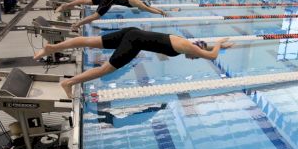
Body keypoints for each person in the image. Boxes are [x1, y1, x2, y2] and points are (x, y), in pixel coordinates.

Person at [34, 28, 233, 97]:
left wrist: (217, 46)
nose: (192, 59)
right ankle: (68, 83)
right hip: (134, 42)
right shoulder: (189, 48)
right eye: (195, 57)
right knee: (104, 70)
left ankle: (52, 47)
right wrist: (220, 43)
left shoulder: (186, 44)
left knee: (88, 41)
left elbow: (203, 49)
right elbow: (212, 56)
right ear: (195, 51)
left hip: (132, 32)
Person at [55, 0, 167, 31]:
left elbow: (150, 7)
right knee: (95, 16)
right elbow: (149, 9)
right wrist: (160, 13)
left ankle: (64, 6)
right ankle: (76, 25)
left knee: (85, 1)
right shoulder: (138, 3)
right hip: (110, 0)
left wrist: (161, 11)